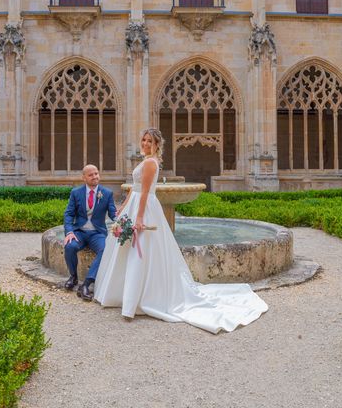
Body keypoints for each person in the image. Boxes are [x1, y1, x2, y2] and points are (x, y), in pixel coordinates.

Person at [94, 128, 268, 333]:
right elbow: (135, 187)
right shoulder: (145, 161)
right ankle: (126, 295)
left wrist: (139, 217)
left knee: (141, 251)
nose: (145, 143)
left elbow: (146, 192)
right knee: (129, 249)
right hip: (134, 205)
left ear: (157, 144)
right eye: (143, 139)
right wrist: (123, 206)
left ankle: (140, 298)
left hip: (144, 208)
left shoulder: (151, 163)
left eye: (149, 141)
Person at [63, 164, 117, 301]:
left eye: (96, 173)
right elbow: (69, 214)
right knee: (70, 246)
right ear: (84, 178)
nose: (95, 177)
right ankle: (73, 277)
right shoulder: (76, 193)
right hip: (79, 232)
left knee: (105, 249)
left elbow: (113, 214)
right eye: (91, 175)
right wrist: (69, 232)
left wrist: (121, 220)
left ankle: (87, 283)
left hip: (97, 233)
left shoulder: (107, 193)